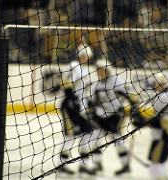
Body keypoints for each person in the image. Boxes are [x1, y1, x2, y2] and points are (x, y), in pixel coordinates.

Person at [86, 57, 141, 176]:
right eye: (98, 70)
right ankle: (97, 166)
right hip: (100, 116)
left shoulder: (117, 82)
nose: (99, 72)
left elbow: (132, 96)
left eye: (101, 69)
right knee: (94, 140)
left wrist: (135, 110)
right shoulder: (95, 85)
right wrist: (90, 111)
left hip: (116, 114)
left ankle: (125, 166)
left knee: (118, 141)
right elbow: (91, 101)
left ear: (107, 70)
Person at [57, 37, 95, 176]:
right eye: (86, 56)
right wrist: (71, 99)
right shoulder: (74, 66)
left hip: (79, 107)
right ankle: (61, 165)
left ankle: (84, 165)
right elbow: (66, 84)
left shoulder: (83, 70)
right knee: (70, 136)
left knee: (87, 133)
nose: (87, 58)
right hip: (70, 106)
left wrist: (87, 104)